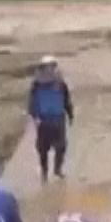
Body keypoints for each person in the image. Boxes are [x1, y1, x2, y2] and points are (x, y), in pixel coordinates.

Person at [28, 55, 74, 183]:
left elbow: (31, 103)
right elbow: (67, 101)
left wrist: (34, 116)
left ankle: (48, 172)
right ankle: (54, 170)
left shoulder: (37, 84)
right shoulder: (58, 83)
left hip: (46, 120)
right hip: (55, 120)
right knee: (58, 147)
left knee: (45, 148)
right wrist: (70, 115)